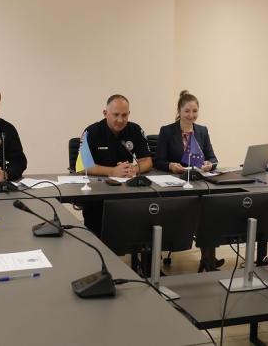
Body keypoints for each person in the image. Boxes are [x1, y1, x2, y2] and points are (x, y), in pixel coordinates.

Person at [155, 90, 221, 272]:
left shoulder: (202, 131)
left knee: (209, 208)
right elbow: (158, 161)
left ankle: (208, 260)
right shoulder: (167, 131)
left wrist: (209, 164)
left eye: (195, 111)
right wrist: (171, 166)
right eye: (187, 111)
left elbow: (213, 158)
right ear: (179, 111)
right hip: (175, 183)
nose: (191, 115)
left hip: (198, 182)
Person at [78, 94, 153, 236]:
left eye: (124, 115)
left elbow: (147, 161)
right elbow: (82, 167)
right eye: (116, 115)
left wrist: (134, 169)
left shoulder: (135, 130)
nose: (120, 120)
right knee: (99, 229)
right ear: (105, 113)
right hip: (98, 194)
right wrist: (112, 171)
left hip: (127, 192)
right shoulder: (92, 132)